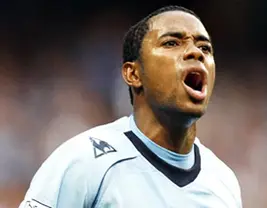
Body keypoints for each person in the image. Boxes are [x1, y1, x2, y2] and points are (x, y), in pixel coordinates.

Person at [19, 5, 242, 208]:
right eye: (171, 43)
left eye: (205, 47)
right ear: (133, 74)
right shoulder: (85, 162)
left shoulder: (223, 182)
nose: (196, 53)